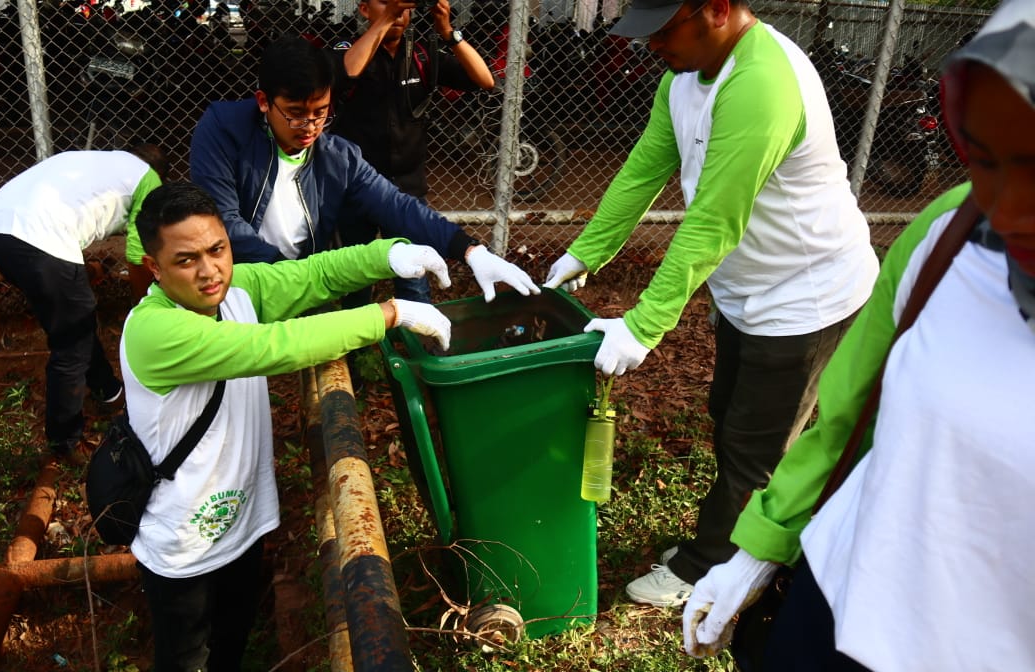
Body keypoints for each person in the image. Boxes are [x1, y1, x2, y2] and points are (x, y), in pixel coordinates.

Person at [682, 4, 1035, 670]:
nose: (1009, 207)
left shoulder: (766, 79)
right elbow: (846, 412)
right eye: (985, 161)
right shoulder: (950, 236)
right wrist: (761, 546)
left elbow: (715, 219)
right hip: (842, 600)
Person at [542, 0, 879, 607]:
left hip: (807, 295)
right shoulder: (683, 77)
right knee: (729, 415)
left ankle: (713, 567)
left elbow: (713, 220)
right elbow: (644, 170)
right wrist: (586, 252)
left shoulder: (763, 83)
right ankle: (746, 531)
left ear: (718, 9)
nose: (651, 45)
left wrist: (644, 325)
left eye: (663, 29)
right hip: (748, 288)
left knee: (755, 445)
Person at [122, 181, 452, 671]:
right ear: (154, 267)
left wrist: (389, 255)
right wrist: (391, 312)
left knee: (233, 640)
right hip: (184, 541)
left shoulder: (235, 291)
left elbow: (312, 275)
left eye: (217, 249)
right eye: (186, 260)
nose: (209, 271)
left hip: (242, 522)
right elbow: (278, 346)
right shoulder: (155, 330)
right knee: (186, 658)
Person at [169, 34, 538, 305]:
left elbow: (397, 205)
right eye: (295, 114)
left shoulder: (336, 156)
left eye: (320, 112)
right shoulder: (224, 129)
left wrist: (471, 251)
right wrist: (300, 277)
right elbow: (224, 224)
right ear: (264, 102)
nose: (310, 127)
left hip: (301, 283)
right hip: (234, 283)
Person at [0, 144, 167, 463]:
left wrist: (83, 272)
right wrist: (143, 310)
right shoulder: (148, 179)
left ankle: (108, 391)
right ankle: (64, 442)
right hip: (40, 237)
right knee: (72, 343)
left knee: (75, 320)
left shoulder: (95, 161)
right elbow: (138, 256)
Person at [330, 0, 496, 304]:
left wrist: (448, 32)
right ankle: (361, 333)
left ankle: (416, 332)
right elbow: (346, 72)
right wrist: (386, 19)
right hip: (355, 188)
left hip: (406, 189)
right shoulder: (348, 50)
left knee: (414, 282)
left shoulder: (421, 55)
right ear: (364, 9)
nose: (397, 11)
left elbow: (484, 80)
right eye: (386, 2)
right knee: (354, 280)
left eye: (403, 5)